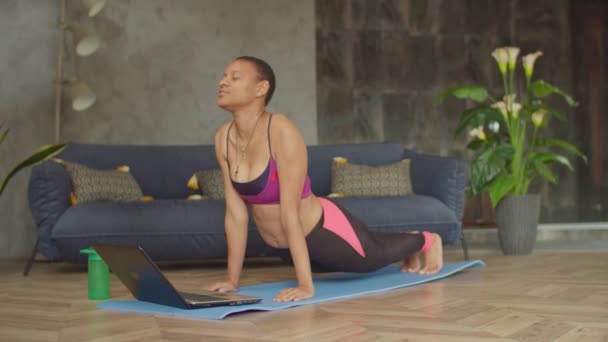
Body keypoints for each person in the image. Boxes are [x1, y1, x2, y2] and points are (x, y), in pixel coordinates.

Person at [206, 56, 443, 302]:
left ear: (261, 88)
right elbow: (236, 214)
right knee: (372, 250)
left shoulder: (280, 130)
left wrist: (305, 286)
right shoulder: (223, 138)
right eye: (223, 76)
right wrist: (231, 281)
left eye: (234, 77)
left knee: (371, 258)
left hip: (323, 231)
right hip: (284, 248)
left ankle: (426, 240)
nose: (223, 82)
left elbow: (291, 211)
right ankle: (410, 246)